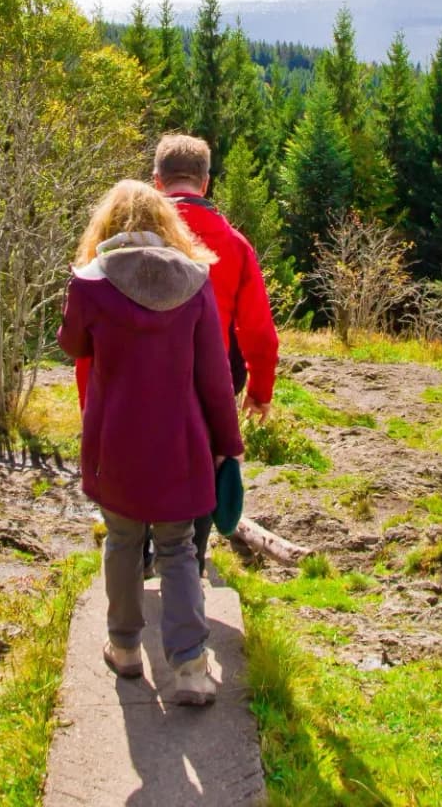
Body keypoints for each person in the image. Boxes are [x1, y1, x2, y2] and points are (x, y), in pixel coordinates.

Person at [58, 180, 243, 705]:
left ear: (106, 226)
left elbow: (72, 343)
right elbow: (213, 378)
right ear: (167, 225)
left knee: (120, 541)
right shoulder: (196, 281)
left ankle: (124, 649)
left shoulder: (89, 283)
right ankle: (188, 667)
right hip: (180, 445)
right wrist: (228, 444)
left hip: (114, 443)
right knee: (179, 547)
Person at [74, 134, 281, 572]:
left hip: (129, 381)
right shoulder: (234, 244)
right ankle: (190, 564)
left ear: (156, 181)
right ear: (205, 183)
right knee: (199, 480)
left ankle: (137, 566)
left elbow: (90, 338)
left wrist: (89, 407)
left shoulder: (117, 242)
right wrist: (260, 390)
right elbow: (259, 331)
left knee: (133, 477)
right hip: (210, 383)